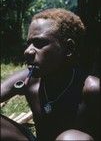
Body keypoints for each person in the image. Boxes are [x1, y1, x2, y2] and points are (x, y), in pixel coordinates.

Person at [1, 8, 100, 141]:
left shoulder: (92, 89)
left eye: (39, 43)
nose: (27, 51)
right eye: (28, 43)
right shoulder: (29, 79)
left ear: (69, 49)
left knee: (71, 138)